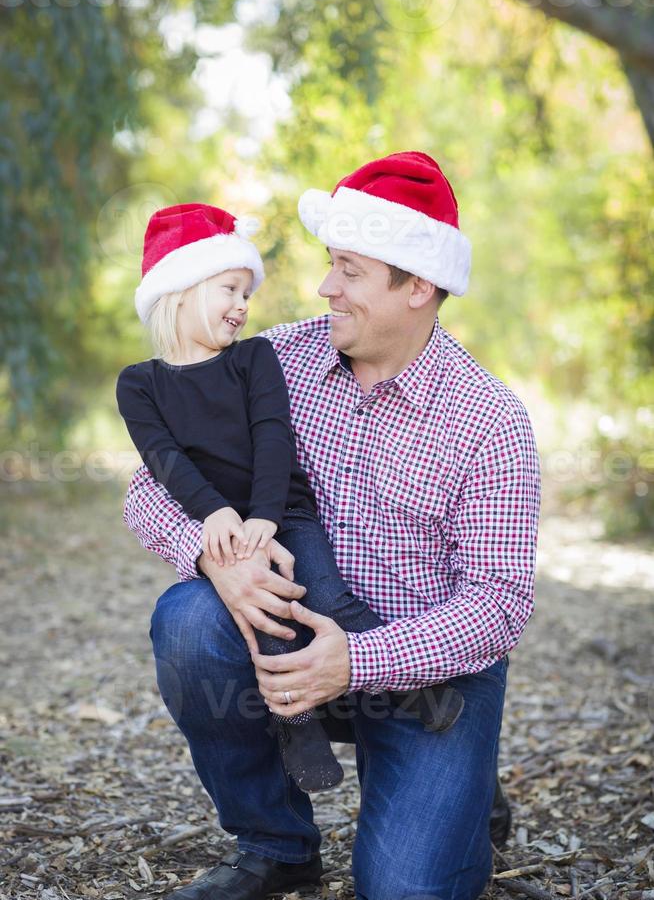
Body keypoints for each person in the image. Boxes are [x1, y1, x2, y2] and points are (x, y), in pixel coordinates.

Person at [122, 151, 540, 900]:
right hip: (283, 641)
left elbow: (502, 603)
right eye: (328, 265)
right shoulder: (272, 359)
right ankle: (276, 845)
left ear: (417, 286)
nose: (324, 288)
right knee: (188, 622)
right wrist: (217, 560)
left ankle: (464, 786)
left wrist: (357, 658)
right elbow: (149, 487)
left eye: (349, 271)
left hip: (430, 679)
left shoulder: (490, 421)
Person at [117, 202, 464, 793]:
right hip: (226, 530)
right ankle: (294, 743)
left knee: (324, 596)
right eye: (229, 288)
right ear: (180, 290)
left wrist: (264, 520)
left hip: (285, 514)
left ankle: (418, 692)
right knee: (259, 625)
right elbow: (161, 465)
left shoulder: (255, 357)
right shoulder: (140, 384)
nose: (242, 305)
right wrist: (213, 529)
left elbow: (272, 438)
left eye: (245, 292)